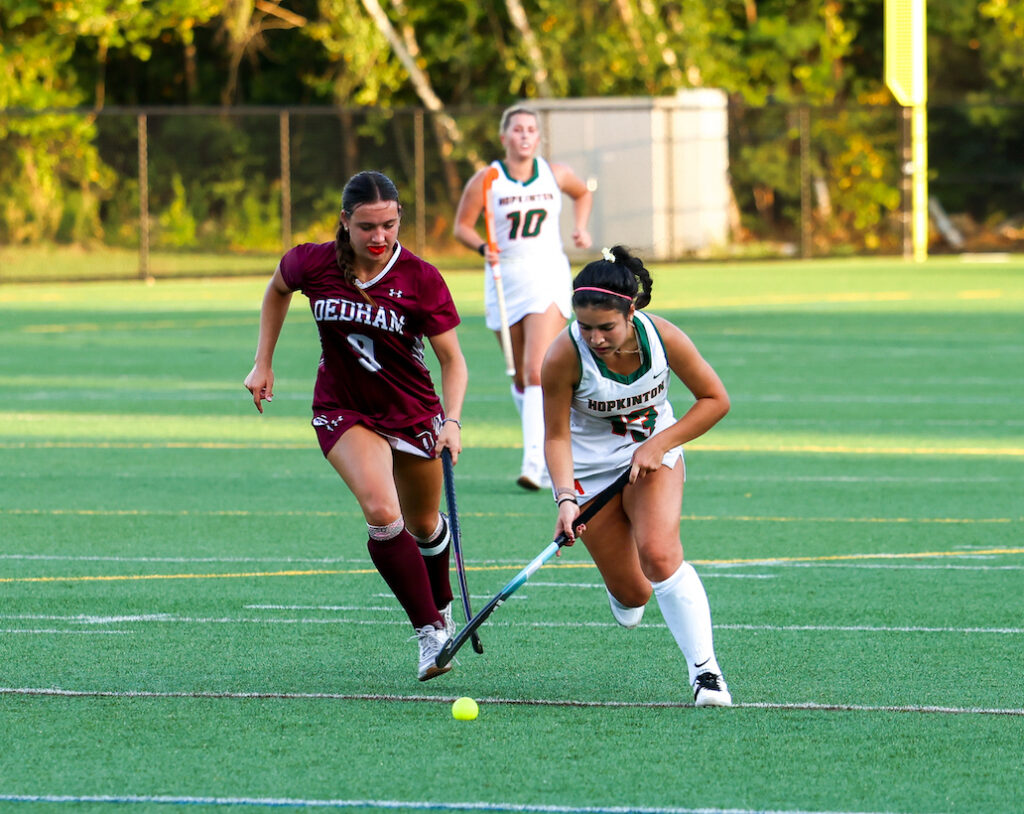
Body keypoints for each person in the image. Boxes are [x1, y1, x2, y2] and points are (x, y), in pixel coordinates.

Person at [243, 170, 468, 682]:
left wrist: (451, 422)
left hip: (412, 411)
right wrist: (263, 362)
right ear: (344, 222)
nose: (379, 237)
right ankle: (430, 632)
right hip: (344, 407)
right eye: (366, 226)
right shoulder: (313, 262)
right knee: (381, 511)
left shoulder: (422, 278)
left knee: (425, 525)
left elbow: (453, 362)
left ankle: (440, 603)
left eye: (389, 224)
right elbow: (277, 289)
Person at [541, 245, 733, 707]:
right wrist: (565, 498)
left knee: (660, 554)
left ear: (630, 311)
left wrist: (659, 444)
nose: (595, 338)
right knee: (634, 593)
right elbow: (555, 438)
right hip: (590, 472)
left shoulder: (663, 337)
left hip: (654, 454)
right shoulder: (562, 357)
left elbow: (715, 399)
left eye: (605, 327)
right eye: (585, 326)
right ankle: (625, 593)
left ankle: (706, 674)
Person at [454, 103, 593, 491]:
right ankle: (545, 446)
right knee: (519, 376)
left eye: (531, 129)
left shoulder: (554, 173)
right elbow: (462, 227)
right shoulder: (487, 179)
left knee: (536, 369)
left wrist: (580, 229)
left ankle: (536, 461)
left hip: (546, 272)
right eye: (518, 129)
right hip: (504, 276)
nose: (526, 135)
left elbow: (583, 194)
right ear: (504, 137)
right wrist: (483, 247)